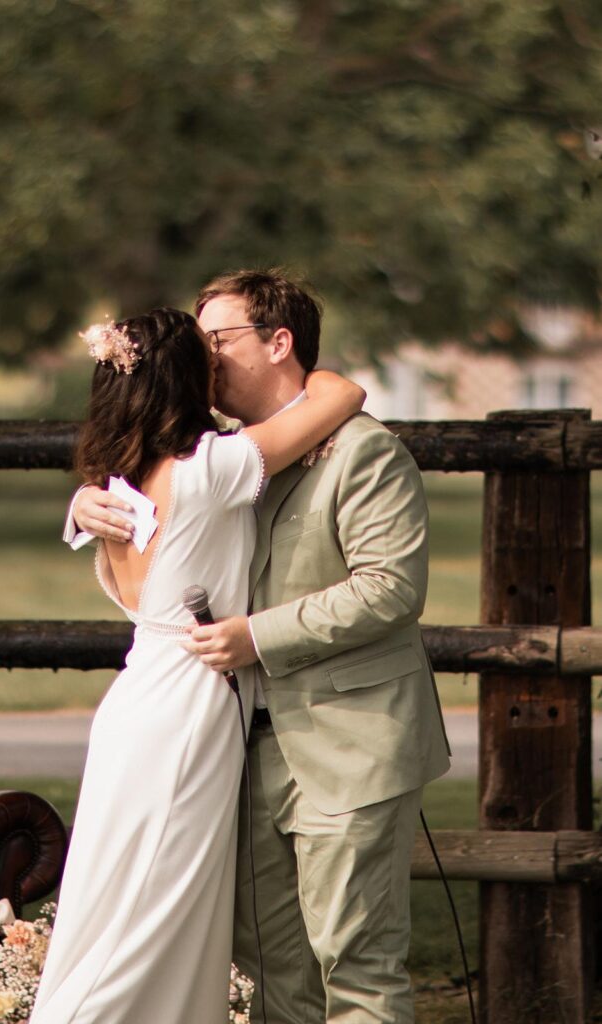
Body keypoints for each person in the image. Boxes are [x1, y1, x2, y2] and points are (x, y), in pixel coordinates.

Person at [70, 271, 451, 1023]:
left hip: (349, 745)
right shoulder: (217, 454)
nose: (205, 359)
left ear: (279, 343)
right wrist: (88, 506)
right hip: (238, 747)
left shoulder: (360, 454)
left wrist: (255, 637)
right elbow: (160, 561)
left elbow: (389, 589)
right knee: (273, 967)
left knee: (356, 962)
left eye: (219, 340)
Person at [30, 306, 364, 1024]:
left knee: (124, 903)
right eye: (206, 358)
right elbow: (341, 396)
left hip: (139, 702)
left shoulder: (112, 482)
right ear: (186, 379)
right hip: (188, 709)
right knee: (149, 910)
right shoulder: (211, 469)